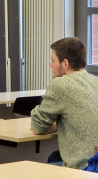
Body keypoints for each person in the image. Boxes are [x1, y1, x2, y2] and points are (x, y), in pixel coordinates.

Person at [30, 37, 98, 169]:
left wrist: (55, 124)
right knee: (55, 156)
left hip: (85, 167)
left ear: (65, 63)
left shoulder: (61, 84)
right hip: (95, 161)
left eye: (53, 60)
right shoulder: (95, 81)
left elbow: (37, 127)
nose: (50, 65)